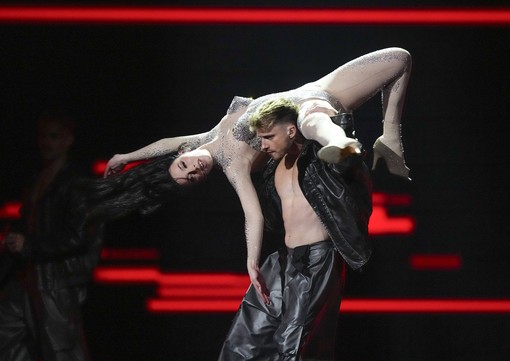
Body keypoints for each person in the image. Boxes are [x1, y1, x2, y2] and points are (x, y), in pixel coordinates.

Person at [104, 47, 412, 298]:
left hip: (318, 88)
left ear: (184, 153)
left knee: (400, 58)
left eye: (185, 165)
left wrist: (127, 157)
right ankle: (340, 142)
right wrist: (251, 262)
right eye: (192, 178)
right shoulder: (232, 165)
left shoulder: (207, 137)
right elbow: (254, 217)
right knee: (309, 118)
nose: (194, 169)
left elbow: (165, 143)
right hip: (311, 113)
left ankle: (389, 138)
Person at [211, 97, 371, 361]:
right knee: (245, 343)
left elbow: (349, 159)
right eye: (260, 138)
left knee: (295, 347)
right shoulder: (273, 168)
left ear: (291, 131)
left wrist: (344, 132)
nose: (263, 145)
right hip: (284, 261)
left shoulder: (321, 158)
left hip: (317, 260)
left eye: (269, 136)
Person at [0, 109, 102, 361]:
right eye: (43, 136)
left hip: (54, 285)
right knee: (7, 348)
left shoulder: (76, 184)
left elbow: (78, 237)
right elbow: (28, 219)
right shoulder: (39, 178)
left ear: (68, 140)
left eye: (54, 136)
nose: (46, 142)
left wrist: (28, 245)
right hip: (26, 281)